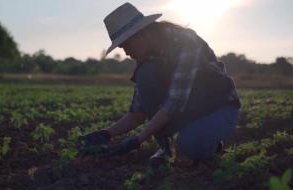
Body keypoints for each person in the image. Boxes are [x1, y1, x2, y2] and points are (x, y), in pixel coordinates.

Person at [80, 2, 240, 166]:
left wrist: (138, 139)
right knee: (146, 73)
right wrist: (106, 134)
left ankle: (208, 143)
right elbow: (139, 111)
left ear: (141, 34)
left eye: (126, 45)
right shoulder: (146, 62)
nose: (126, 53)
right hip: (192, 107)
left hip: (220, 106)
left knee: (188, 148)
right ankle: (167, 147)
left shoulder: (186, 42)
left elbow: (174, 103)